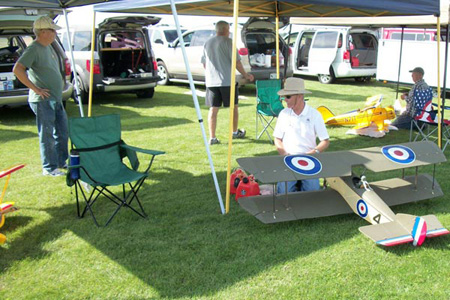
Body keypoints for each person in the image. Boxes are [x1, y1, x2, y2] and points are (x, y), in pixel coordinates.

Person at [13, 16, 68, 177]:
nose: (54, 34)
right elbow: (18, 69)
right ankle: (49, 168)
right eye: (52, 31)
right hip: (43, 100)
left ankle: (60, 162)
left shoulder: (49, 47)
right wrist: (36, 89)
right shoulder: (34, 49)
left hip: (55, 98)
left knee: (63, 131)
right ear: (43, 32)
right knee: (47, 134)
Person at [201, 20, 254, 145]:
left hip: (212, 82)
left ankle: (212, 137)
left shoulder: (207, 43)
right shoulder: (229, 42)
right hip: (227, 82)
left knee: (213, 110)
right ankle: (235, 132)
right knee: (234, 107)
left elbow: (204, 64)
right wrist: (246, 75)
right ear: (226, 29)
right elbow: (237, 62)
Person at [273, 77, 330, 193]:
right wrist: (284, 154)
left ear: (299, 96)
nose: (284, 100)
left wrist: (313, 153)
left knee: (313, 191)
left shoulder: (315, 115)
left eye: (288, 96)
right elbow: (277, 138)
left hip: (309, 160)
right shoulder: (283, 114)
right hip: (288, 159)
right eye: (284, 97)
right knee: (284, 193)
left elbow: (325, 141)